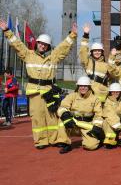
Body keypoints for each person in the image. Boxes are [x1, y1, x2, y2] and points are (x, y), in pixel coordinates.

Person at [0, 19, 77, 149]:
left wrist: (72, 35)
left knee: (51, 116)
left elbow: (63, 47)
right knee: (37, 117)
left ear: (48, 46)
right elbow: (17, 45)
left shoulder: (53, 56)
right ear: (37, 44)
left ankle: (54, 139)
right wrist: (7, 31)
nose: (43, 46)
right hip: (35, 91)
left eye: (45, 45)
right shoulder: (28, 55)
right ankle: (41, 141)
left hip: (49, 90)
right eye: (41, 43)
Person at [56, 76, 104, 154]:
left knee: (91, 146)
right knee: (62, 120)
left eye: (85, 86)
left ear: (89, 87)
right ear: (78, 86)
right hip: (73, 124)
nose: (83, 88)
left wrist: (97, 126)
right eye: (81, 86)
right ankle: (65, 144)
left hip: (87, 125)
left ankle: (96, 140)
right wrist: (65, 115)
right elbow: (62, 107)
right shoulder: (72, 96)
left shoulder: (95, 99)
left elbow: (99, 115)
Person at [79, 23, 115, 103]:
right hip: (89, 93)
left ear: (102, 52)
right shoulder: (88, 62)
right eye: (95, 51)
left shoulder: (106, 65)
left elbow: (114, 74)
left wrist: (113, 56)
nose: (97, 52)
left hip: (102, 94)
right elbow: (83, 52)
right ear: (91, 52)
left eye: (99, 51)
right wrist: (86, 35)